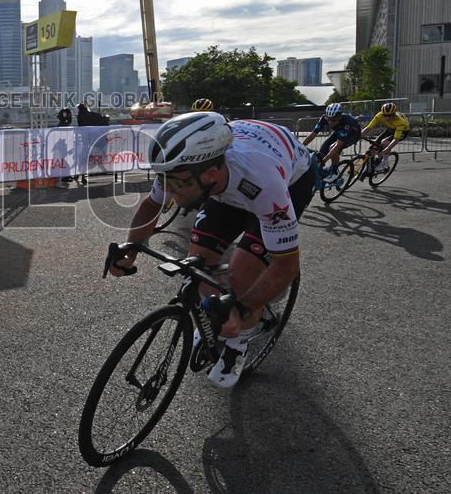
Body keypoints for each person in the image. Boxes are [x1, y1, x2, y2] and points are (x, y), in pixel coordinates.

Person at [108, 112, 315, 388]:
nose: (169, 189)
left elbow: (286, 266)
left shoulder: (265, 183)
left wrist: (241, 309)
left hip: (288, 182)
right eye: (163, 179)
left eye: (177, 183)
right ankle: (216, 317)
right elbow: (151, 205)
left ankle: (238, 343)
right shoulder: (183, 170)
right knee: (198, 261)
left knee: (243, 273)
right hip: (230, 182)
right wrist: (131, 249)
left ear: (210, 174)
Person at [302, 103, 361, 179]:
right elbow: (313, 134)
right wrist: (301, 146)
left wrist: (324, 161)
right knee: (322, 151)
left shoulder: (347, 122)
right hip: (339, 132)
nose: (330, 122)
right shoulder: (324, 118)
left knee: (332, 148)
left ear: (340, 117)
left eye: (333, 120)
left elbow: (338, 145)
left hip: (353, 135)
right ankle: (322, 172)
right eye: (328, 119)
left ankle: (334, 172)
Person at [361, 102, 409, 171]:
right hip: (390, 128)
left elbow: (396, 139)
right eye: (385, 115)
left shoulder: (400, 122)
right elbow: (368, 128)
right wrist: (359, 135)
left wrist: (387, 149)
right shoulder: (379, 115)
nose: (387, 118)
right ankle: (369, 167)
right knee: (374, 146)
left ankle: (385, 163)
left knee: (385, 142)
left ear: (394, 114)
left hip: (403, 131)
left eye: (389, 115)